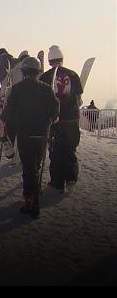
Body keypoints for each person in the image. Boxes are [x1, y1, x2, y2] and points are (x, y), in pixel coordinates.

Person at [0, 56, 59, 219]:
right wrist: (53, 118)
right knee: (36, 165)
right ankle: (34, 191)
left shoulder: (18, 89)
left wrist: (1, 120)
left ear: (24, 71)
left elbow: (9, 109)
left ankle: (31, 202)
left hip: (25, 134)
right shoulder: (46, 88)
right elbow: (55, 108)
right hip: (42, 134)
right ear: (37, 71)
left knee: (29, 169)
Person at [39, 45, 83, 192]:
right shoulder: (73, 75)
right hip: (71, 120)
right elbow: (78, 96)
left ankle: (57, 181)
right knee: (70, 150)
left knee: (56, 150)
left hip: (55, 120)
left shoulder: (45, 77)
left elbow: (43, 100)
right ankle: (71, 178)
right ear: (62, 59)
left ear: (50, 60)